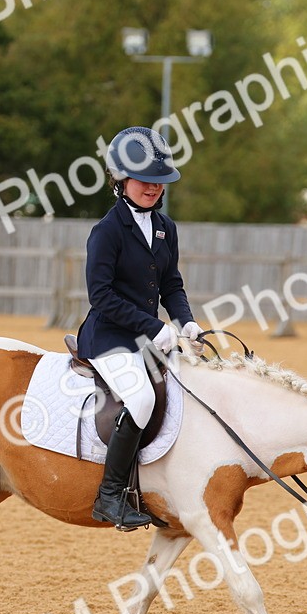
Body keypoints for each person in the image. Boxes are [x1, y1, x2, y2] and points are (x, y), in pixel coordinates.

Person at [76, 126, 201, 530]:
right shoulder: (107, 231)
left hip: (150, 336)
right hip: (109, 337)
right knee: (144, 401)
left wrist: (187, 323)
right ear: (120, 180)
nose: (153, 188)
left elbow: (171, 285)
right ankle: (109, 497)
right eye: (145, 180)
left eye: (159, 181)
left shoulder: (166, 228)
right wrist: (155, 328)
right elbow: (102, 296)